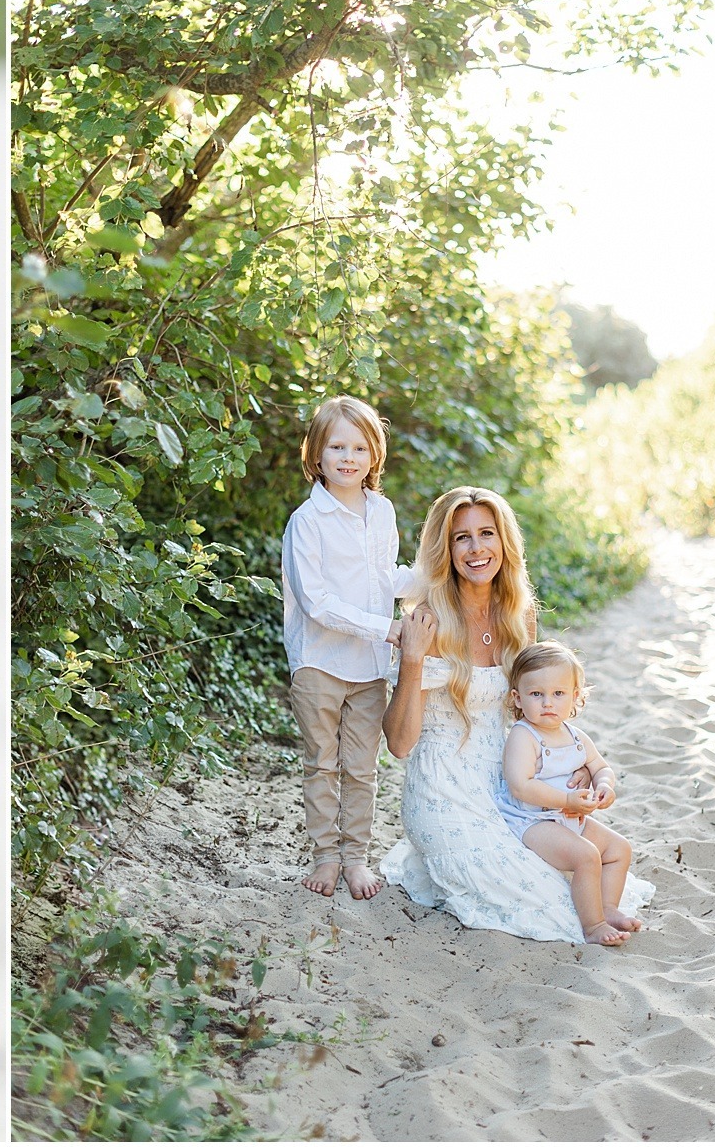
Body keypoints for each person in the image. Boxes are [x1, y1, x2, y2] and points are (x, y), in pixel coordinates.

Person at [378, 487, 654, 944]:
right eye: (461, 537)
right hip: (442, 786)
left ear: (504, 542)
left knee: (570, 879)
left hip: (508, 780)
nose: (476, 548)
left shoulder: (516, 615)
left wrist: (580, 766)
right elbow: (400, 744)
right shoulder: (427, 619)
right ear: (444, 549)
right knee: (535, 899)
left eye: (487, 533)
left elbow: (536, 708)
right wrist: (412, 660)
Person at [280, 395, 415, 900]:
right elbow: (317, 601)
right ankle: (326, 856)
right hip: (318, 660)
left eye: (359, 447)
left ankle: (356, 856)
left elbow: (387, 577)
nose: (348, 457)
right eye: (337, 445)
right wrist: (385, 628)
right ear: (316, 454)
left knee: (361, 766)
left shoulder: (381, 511)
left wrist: (430, 577)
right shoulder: (307, 521)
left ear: (374, 455)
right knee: (321, 761)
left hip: (369, 668)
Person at [495, 641, 642, 946]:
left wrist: (605, 787)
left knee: (619, 849)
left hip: (570, 816)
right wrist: (566, 801)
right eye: (537, 694)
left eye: (558, 693)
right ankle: (593, 925)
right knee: (586, 855)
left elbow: (601, 767)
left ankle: (608, 906)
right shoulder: (525, 736)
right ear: (518, 698)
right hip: (533, 821)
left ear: (575, 696)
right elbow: (520, 785)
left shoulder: (575, 736)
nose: (548, 702)